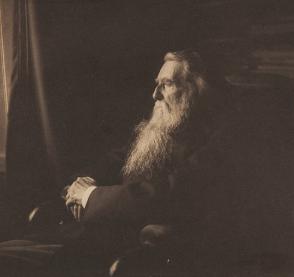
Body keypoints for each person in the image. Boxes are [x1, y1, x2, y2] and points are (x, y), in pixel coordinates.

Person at [0, 49, 234, 276]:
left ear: (196, 90)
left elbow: (156, 196)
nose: (155, 95)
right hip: (85, 235)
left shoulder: (216, 143)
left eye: (167, 84)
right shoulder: (161, 130)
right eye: (157, 84)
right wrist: (81, 183)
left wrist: (88, 195)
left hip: (125, 252)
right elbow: (114, 160)